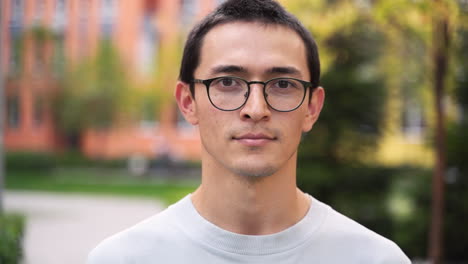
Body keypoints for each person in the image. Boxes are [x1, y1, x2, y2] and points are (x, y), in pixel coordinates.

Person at [88, 0, 411, 263]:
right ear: (188, 103)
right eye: (227, 82)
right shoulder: (122, 258)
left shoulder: (375, 258)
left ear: (312, 107)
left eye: (283, 84)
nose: (256, 109)